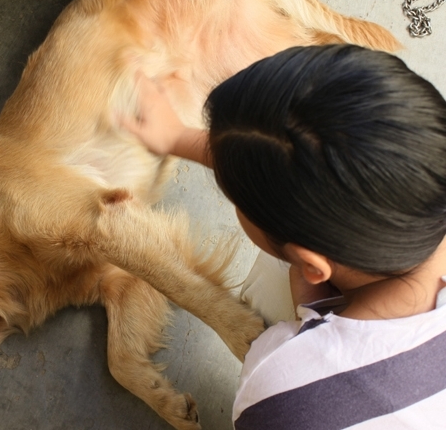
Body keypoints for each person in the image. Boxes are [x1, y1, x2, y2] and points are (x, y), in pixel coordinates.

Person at [121, 45, 446, 429]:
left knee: (266, 286)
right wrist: (177, 137)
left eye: (237, 200)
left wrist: (306, 323)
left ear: (312, 266)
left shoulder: (284, 390)